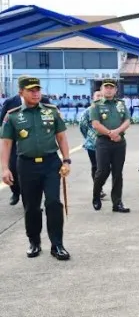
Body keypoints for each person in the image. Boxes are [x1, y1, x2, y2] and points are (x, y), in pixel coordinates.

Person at [0, 76, 72, 260]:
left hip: (50, 164)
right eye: (31, 90)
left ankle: (57, 244)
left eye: (38, 90)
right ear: (21, 92)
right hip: (26, 165)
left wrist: (66, 160)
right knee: (31, 206)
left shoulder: (52, 111)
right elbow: (6, 143)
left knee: (53, 203)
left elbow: (62, 137)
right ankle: (34, 242)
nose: (36, 93)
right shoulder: (13, 115)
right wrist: (4, 168)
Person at [0, 75, 52, 206]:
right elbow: (3, 121)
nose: (34, 93)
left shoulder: (44, 100)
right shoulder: (11, 102)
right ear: (21, 89)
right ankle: (16, 192)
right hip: (15, 144)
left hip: (35, 140)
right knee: (13, 168)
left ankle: (36, 197)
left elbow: (51, 117)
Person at [90, 79, 131, 213]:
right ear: (101, 89)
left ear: (115, 90)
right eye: (106, 87)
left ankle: (117, 203)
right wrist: (110, 133)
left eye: (111, 87)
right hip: (103, 142)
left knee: (117, 173)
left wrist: (117, 132)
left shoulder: (121, 104)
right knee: (102, 171)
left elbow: (127, 120)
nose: (108, 89)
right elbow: (96, 124)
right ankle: (96, 195)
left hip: (119, 141)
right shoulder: (96, 105)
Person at [79, 90, 106, 199]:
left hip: (106, 144)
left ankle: (100, 186)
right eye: (97, 96)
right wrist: (90, 137)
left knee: (105, 168)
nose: (99, 97)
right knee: (96, 167)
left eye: (101, 96)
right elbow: (83, 126)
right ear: (93, 98)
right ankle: (98, 190)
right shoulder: (88, 112)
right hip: (92, 145)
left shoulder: (106, 111)